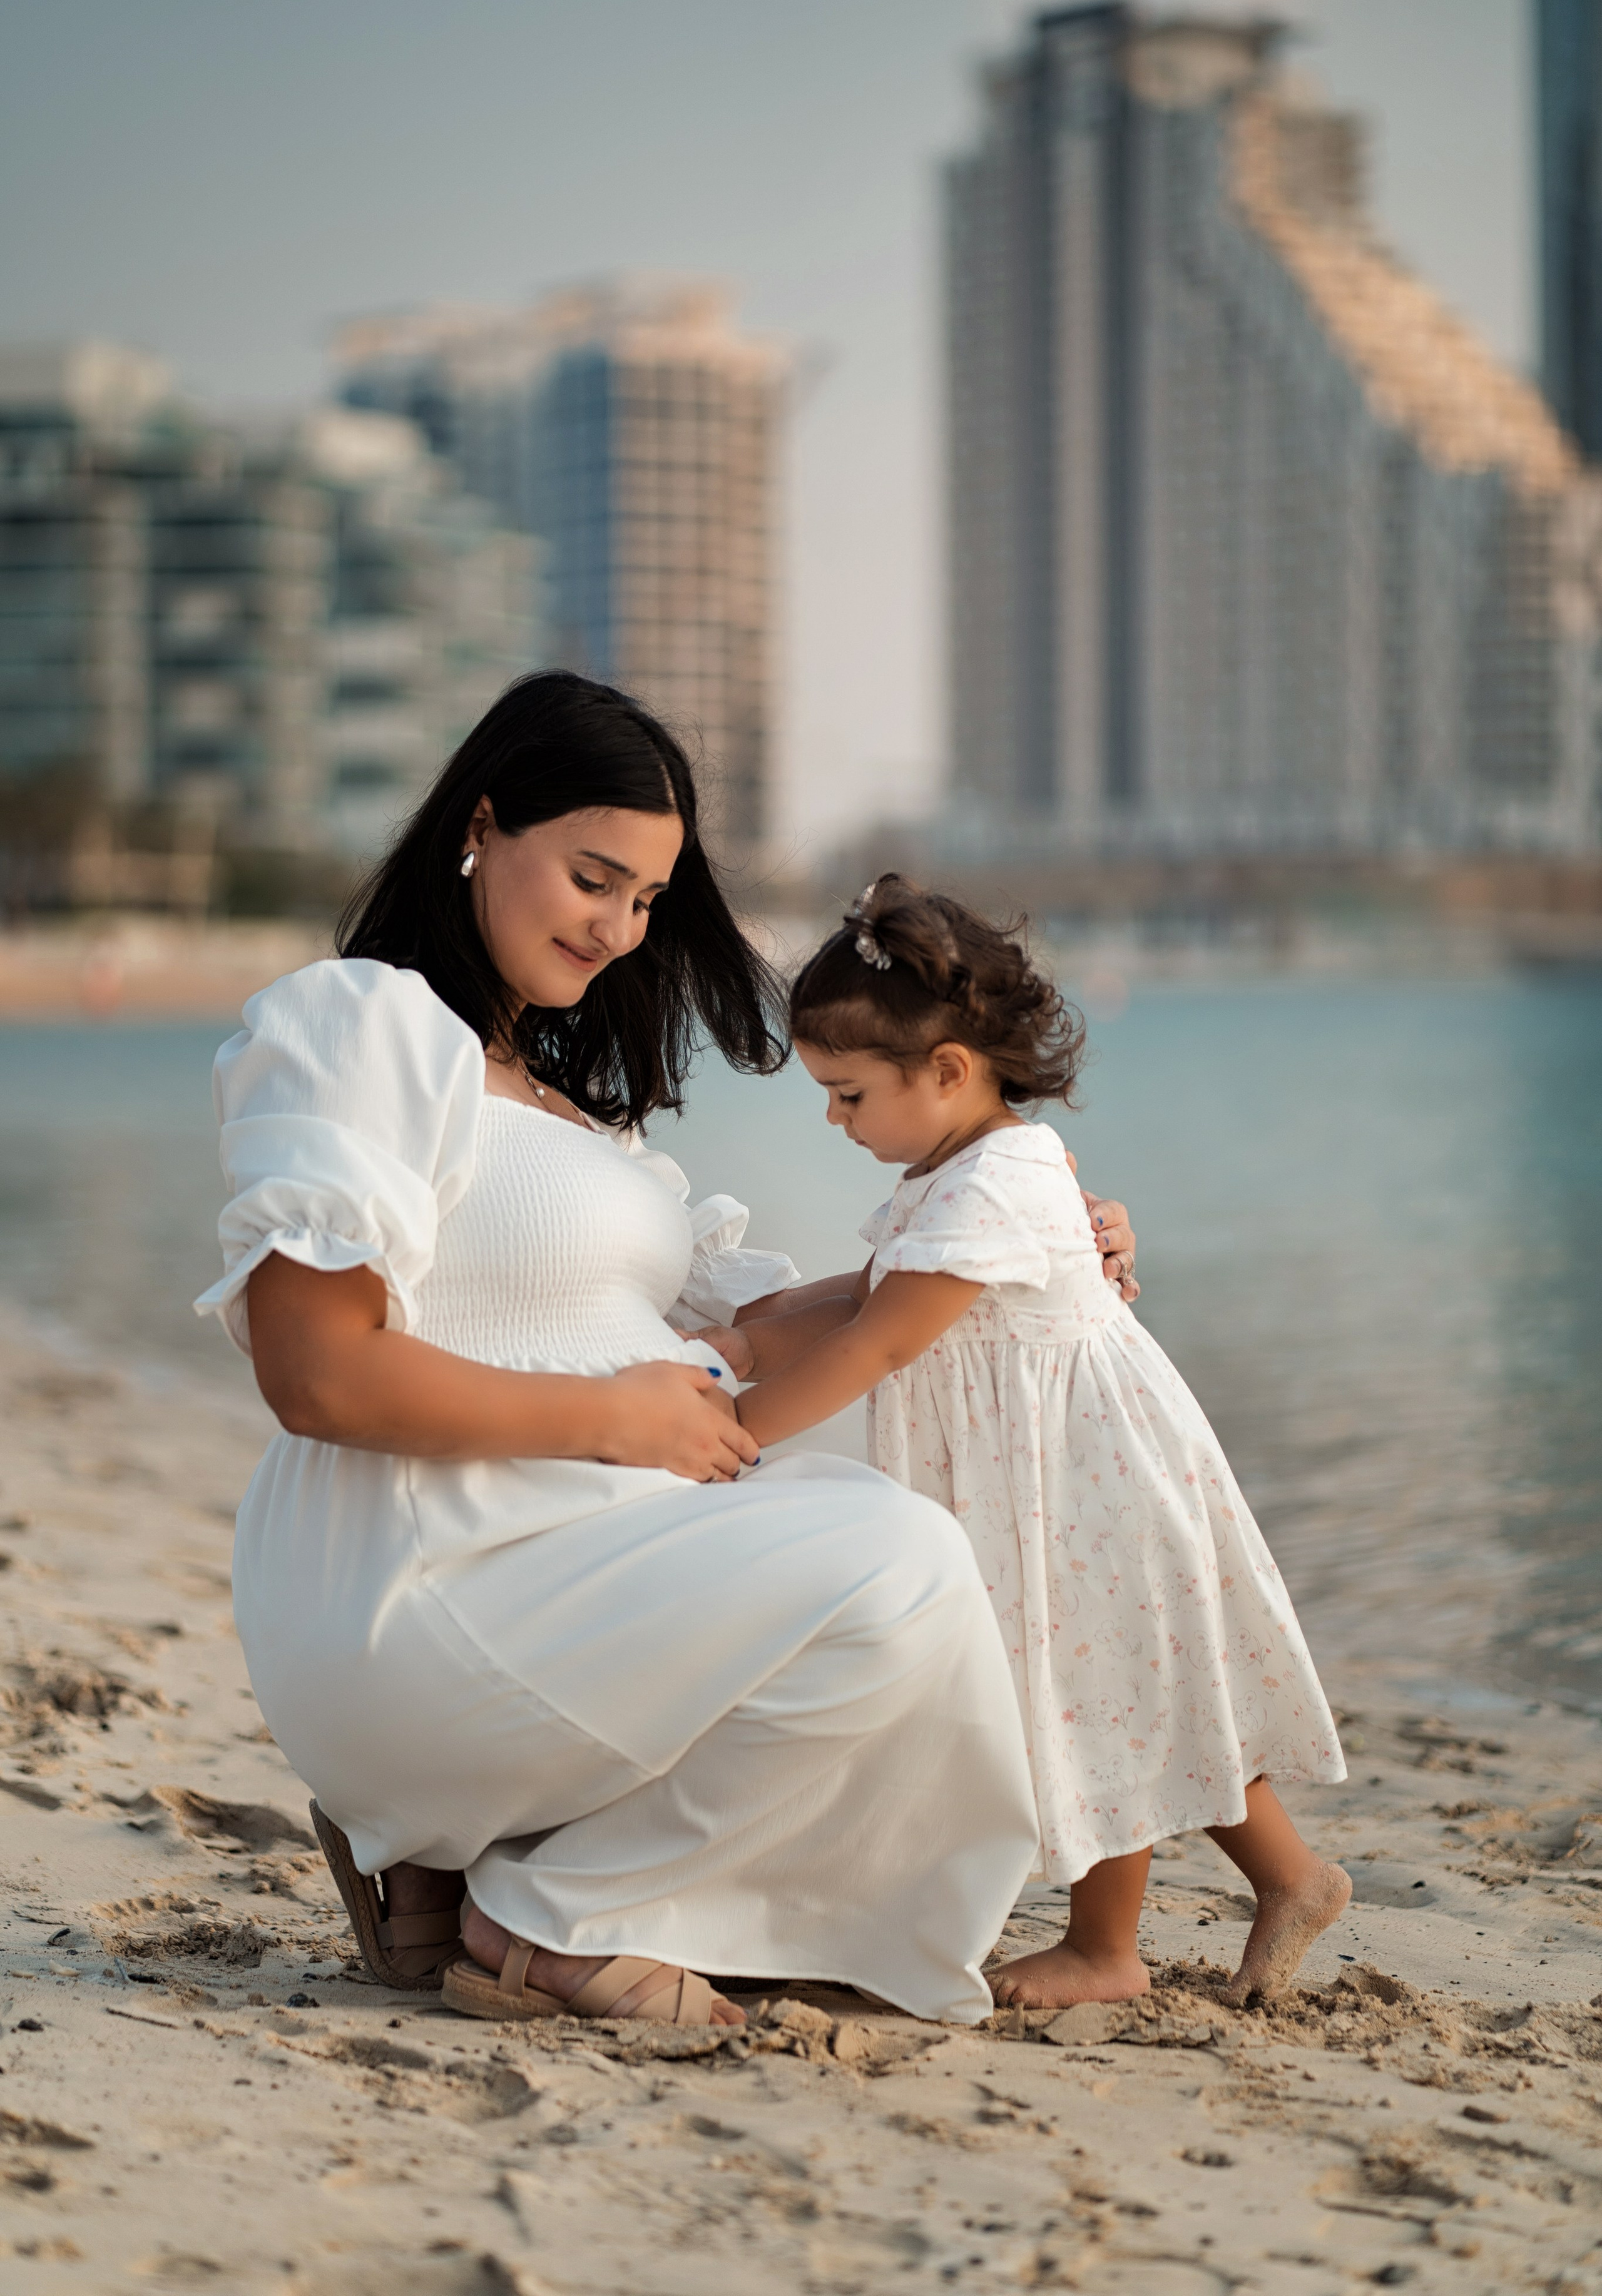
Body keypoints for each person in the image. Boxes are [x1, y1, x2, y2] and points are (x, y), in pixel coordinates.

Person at [195, 675, 1138, 2029]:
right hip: (417, 1579)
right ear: (480, 824)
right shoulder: (364, 1027)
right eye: (592, 878)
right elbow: (314, 1374)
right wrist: (610, 1420)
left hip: (579, 1573)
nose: (618, 928)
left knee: (910, 1543)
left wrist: (1023, 1239)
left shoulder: (579, 1118)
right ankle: (547, 1917)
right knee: (897, 1566)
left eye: (643, 901)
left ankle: (468, 1867)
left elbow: (756, 1336)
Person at [707, 876, 1351, 2012]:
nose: (831, 1121)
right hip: (1056, 1465)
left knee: (1104, 1693)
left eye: (847, 1094)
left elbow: (876, 1343)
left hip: (1080, 1476)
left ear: (948, 1070)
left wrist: (733, 1436)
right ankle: (1292, 1877)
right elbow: (864, 1290)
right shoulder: (961, 1166)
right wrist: (744, 1340)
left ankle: (1109, 1950)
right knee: (1142, 1691)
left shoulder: (994, 1182)